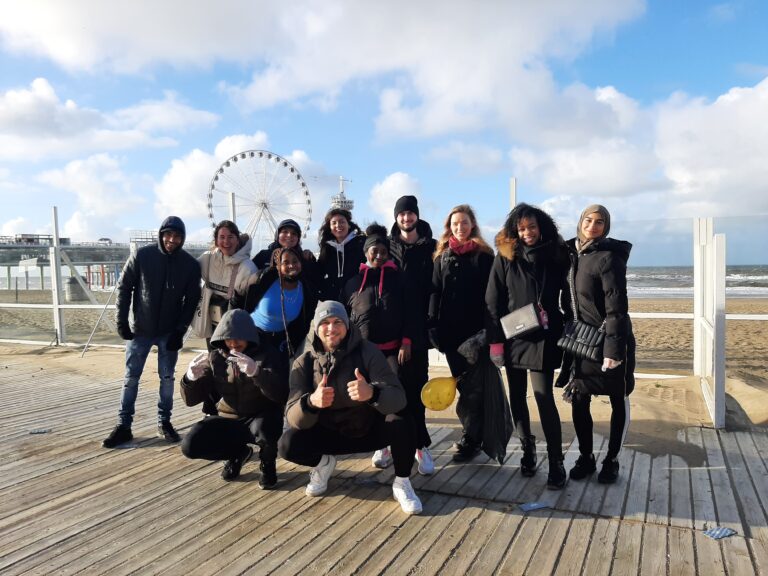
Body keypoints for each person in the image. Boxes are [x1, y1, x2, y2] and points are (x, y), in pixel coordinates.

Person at [278, 301, 423, 515]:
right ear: (316, 328)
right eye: (325, 322)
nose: (331, 328)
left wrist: (373, 393)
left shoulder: (367, 351)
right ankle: (323, 463)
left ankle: (402, 482)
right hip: (327, 435)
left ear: (347, 325)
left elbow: (398, 396)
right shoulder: (303, 361)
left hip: (365, 429)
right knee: (287, 444)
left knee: (403, 420)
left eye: (337, 321)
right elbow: (291, 414)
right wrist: (311, 403)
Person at [486, 203, 569, 488]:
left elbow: (569, 297)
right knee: (518, 398)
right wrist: (496, 340)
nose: (527, 232)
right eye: (521, 228)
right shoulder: (506, 258)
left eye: (532, 227)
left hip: (544, 336)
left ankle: (557, 461)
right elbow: (492, 302)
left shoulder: (558, 255)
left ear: (541, 226)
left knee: (544, 397)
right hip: (514, 336)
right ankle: (527, 451)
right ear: (514, 231)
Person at [103, 216, 201, 448]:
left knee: (167, 379)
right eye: (168, 235)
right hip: (140, 330)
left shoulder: (189, 265)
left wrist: (180, 331)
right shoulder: (142, 256)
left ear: (182, 239)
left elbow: (192, 300)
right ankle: (124, 425)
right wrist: (122, 322)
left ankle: (164, 422)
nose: (172, 240)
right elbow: (124, 288)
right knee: (130, 379)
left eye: (177, 236)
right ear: (161, 234)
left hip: (169, 332)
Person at [557, 204, 636, 484]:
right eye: (588, 220)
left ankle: (611, 460)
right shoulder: (570, 254)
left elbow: (617, 308)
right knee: (579, 399)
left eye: (599, 221)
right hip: (581, 342)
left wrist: (614, 352)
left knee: (618, 398)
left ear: (606, 227)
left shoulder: (609, 258)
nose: (593, 225)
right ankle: (586, 456)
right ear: (580, 222)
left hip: (611, 341)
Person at [180, 309, 285, 488]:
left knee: (267, 427)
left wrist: (256, 372)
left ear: (250, 336)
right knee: (190, 444)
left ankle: (267, 463)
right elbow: (191, 400)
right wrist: (189, 379)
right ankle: (238, 453)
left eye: (239, 338)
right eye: (228, 338)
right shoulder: (216, 357)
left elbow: (281, 393)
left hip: (260, 416)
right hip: (229, 417)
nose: (233, 343)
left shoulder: (269, 354)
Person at [343, 224, 414, 472]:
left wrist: (406, 341)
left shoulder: (399, 278)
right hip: (363, 352)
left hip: (393, 350)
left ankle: (400, 444)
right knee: (367, 398)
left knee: (393, 397)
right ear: (366, 252)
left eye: (384, 251)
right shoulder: (352, 283)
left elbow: (409, 312)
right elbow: (345, 318)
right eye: (375, 251)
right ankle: (379, 444)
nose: (379, 255)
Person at [428, 204, 494, 462]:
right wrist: (432, 324)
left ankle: (472, 438)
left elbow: (492, 298)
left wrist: (486, 333)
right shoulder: (442, 256)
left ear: (472, 224)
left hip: (476, 336)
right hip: (450, 335)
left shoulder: (485, 256)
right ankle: (471, 434)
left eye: (464, 223)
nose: (460, 227)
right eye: (455, 224)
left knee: (475, 389)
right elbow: (434, 291)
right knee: (463, 386)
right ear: (449, 227)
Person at [388, 195, 437, 475]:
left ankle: (420, 443)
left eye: (410, 214)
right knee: (387, 389)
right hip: (389, 330)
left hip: (417, 332)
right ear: (396, 217)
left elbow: (434, 288)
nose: (406, 219)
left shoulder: (430, 247)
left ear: (416, 216)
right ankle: (385, 441)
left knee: (417, 389)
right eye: (401, 214)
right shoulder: (387, 246)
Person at [191, 220, 259, 415]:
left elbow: (250, 302)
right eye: (221, 237)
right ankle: (210, 407)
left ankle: (232, 406)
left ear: (238, 239)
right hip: (211, 324)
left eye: (230, 237)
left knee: (229, 367)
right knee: (212, 364)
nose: (226, 241)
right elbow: (188, 272)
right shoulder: (207, 259)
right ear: (215, 240)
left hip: (232, 329)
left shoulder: (247, 267)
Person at [236, 246, 317, 375]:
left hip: (281, 341)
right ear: (278, 266)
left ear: (301, 264)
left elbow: (305, 320)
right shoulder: (262, 279)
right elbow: (238, 296)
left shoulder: (306, 290)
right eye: (286, 262)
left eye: (295, 261)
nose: (291, 265)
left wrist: (293, 344)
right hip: (253, 336)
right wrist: (235, 331)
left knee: (276, 381)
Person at [314, 208, 366, 302]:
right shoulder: (327, 248)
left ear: (349, 225)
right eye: (334, 223)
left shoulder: (361, 244)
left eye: (342, 222)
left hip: (358, 298)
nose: (338, 225)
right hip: (333, 300)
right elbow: (318, 272)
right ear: (329, 228)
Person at [251, 218, 316, 271]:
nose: (289, 235)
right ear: (277, 235)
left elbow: (316, 278)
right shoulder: (263, 255)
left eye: (294, 233)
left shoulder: (305, 257)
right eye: (285, 232)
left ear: (298, 239)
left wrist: (311, 259)